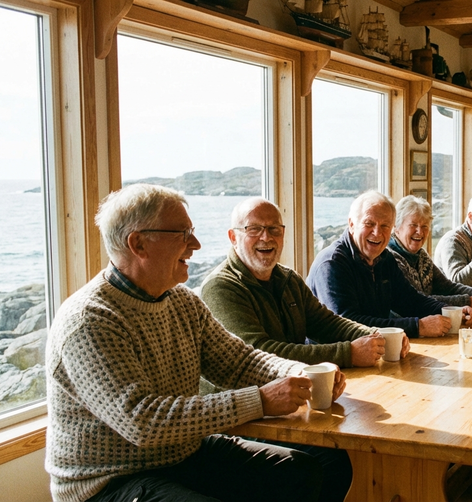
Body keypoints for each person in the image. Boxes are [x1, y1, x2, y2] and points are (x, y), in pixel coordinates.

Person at [46, 184, 345, 502]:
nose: (196, 244)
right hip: (111, 480)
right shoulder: (90, 322)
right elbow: (143, 422)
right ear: (138, 244)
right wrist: (259, 400)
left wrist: (302, 372)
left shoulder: (181, 302)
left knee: (310, 469)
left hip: (182, 454)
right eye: (182, 234)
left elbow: (239, 361)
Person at [201, 197, 408, 369]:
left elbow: (327, 323)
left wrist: (377, 337)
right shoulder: (221, 287)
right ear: (233, 237)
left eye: (274, 229)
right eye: (254, 229)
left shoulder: (288, 279)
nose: (266, 237)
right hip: (247, 409)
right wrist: (348, 353)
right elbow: (260, 352)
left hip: (290, 391)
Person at [307, 190, 472, 338]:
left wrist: (451, 310)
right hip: (332, 364)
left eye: (385, 225)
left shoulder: (385, 258)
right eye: (369, 224)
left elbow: (409, 299)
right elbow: (348, 323)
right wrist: (418, 327)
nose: (377, 232)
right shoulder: (332, 264)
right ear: (351, 224)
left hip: (375, 351)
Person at [388, 195, 472, 308]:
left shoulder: (421, 255)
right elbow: (418, 300)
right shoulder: (391, 258)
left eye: (425, 226)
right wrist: (471, 301)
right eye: (413, 225)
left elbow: (449, 288)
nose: (420, 232)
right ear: (396, 227)